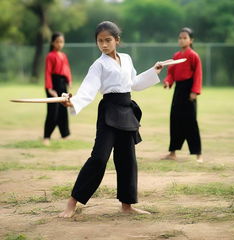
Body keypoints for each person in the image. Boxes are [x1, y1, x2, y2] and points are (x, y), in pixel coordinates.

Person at [58, 21, 164, 218]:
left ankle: (127, 205)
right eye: (100, 41)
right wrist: (74, 102)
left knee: (127, 159)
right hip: (109, 111)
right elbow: (88, 89)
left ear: (117, 40)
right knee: (99, 158)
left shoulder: (126, 58)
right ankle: (72, 202)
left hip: (127, 110)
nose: (104, 45)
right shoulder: (98, 65)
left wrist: (153, 71)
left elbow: (134, 83)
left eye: (108, 40)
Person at [162, 27, 203, 163]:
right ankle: (172, 152)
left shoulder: (193, 56)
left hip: (189, 90)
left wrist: (194, 91)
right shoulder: (176, 56)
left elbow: (198, 74)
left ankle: (198, 154)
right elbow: (171, 73)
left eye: (185, 37)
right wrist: (168, 82)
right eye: (180, 37)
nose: (181, 40)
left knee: (190, 122)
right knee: (175, 120)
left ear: (191, 40)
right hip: (178, 90)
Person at [43, 32, 72, 146]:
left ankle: (65, 135)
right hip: (53, 85)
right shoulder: (50, 56)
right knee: (53, 112)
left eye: (61, 42)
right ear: (53, 43)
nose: (60, 44)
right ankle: (46, 136)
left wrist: (69, 81)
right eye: (57, 42)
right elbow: (48, 73)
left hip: (62, 84)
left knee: (63, 110)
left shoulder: (63, 56)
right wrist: (50, 89)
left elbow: (67, 69)